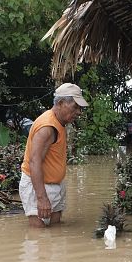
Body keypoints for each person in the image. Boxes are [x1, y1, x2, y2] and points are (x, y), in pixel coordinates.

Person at [19, 83, 88, 227]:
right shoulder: (47, 127)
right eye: (75, 107)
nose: (79, 112)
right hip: (39, 187)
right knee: (38, 237)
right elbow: (34, 162)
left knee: (55, 235)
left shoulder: (59, 123)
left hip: (54, 185)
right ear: (61, 103)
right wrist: (41, 197)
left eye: (79, 108)